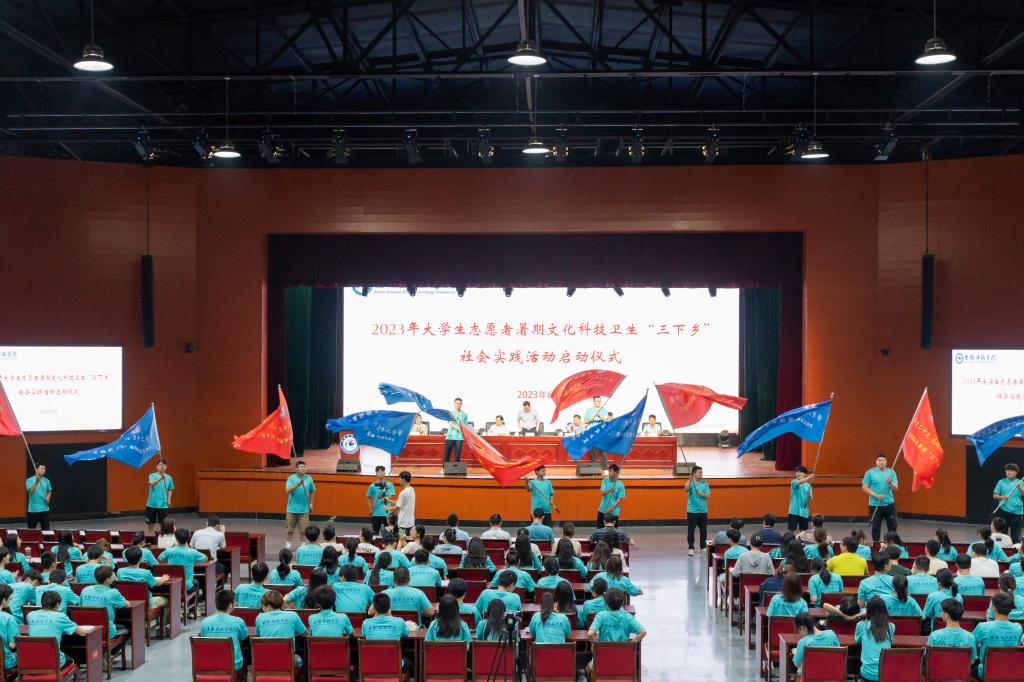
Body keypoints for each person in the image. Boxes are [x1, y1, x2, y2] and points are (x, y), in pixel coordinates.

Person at [27, 590, 92, 669]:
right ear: (57, 604)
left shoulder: (30, 615)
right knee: (73, 661)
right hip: (54, 662)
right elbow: (82, 633)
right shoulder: (60, 617)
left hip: (32, 661)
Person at [974, 592, 1024, 680]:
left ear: (994, 608)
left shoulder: (983, 627)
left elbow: (971, 642)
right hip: (1011, 671)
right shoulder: (1018, 628)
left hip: (986, 672)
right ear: (1010, 610)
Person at [255, 591, 306, 668]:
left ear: (268, 606)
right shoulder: (293, 615)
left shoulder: (260, 617)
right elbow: (305, 633)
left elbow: (258, 636)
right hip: (287, 660)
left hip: (266, 659)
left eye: (262, 606)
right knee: (301, 660)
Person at [117, 546, 169, 612]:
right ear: (140, 558)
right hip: (146, 605)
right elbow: (157, 583)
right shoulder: (146, 573)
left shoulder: (120, 571)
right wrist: (164, 578)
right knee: (166, 600)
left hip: (127, 602)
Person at [855, 597, 895, 682]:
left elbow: (857, 640)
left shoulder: (861, 625)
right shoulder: (891, 626)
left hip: (866, 674)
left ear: (868, 611)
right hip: (884, 674)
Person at [80, 567, 128, 636]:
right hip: (106, 632)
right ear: (108, 579)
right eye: (112, 575)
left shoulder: (85, 590)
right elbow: (127, 605)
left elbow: (81, 606)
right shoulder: (113, 592)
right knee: (126, 628)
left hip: (87, 630)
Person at [862, 454, 899, 542]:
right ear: (876, 462)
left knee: (893, 525)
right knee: (876, 526)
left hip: (889, 503)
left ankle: (891, 543)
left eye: (883, 460)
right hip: (875, 504)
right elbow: (864, 487)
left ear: (886, 462)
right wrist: (876, 495)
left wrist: (890, 483)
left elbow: (895, 488)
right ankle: (876, 544)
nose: (882, 462)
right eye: (880, 460)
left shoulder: (891, 472)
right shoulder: (870, 472)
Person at [791, 612, 840, 676]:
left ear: (803, 628)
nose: (800, 633)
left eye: (799, 630)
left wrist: (796, 653)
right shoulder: (831, 634)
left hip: (811, 677)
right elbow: (838, 654)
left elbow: (797, 664)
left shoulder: (803, 642)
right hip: (833, 675)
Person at [160, 528, 208, 593]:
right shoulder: (192, 552)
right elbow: (205, 558)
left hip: (171, 586)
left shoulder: (169, 551)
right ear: (188, 538)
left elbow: (160, 558)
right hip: (187, 587)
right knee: (196, 581)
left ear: (175, 538)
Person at [284, 460, 315, 549]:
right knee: (290, 530)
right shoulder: (291, 478)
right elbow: (288, 490)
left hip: (304, 509)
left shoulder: (309, 479)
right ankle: (288, 545)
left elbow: (312, 491)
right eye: (301, 467)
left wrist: (310, 503)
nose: (304, 469)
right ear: (296, 469)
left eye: (305, 467)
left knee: (303, 530)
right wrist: (297, 484)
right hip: (291, 509)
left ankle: (303, 545)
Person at [993, 462, 1024, 545]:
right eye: (1007, 471)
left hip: (1017, 512)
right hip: (1004, 511)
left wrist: (1019, 488)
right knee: (1002, 535)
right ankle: (1003, 550)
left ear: (1016, 472)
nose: (1009, 472)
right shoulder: (1001, 482)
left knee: (1016, 536)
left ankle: (1015, 551)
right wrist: (1002, 497)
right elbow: (995, 495)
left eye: (1011, 471)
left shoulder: (1020, 482)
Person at [685, 465, 710, 556]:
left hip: (703, 511)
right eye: (699, 472)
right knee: (691, 530)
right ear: (694, 474)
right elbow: (686, 489)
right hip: (692, 511)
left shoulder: (705, 483)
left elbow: (708, 495)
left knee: (703, 530)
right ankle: (691, 548)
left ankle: (703, 547)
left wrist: (701, 494)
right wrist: (689, 480)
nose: (701, 474)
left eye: (701, 472)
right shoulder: (690, 482)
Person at [145, 459, 174, 533]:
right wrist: (160, 478)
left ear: (166, 467)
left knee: (163, 524)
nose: (161, 466)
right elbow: (152, 483)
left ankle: (162, 537)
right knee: (150, 523)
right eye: (160, 465)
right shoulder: (152, 475)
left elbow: (170, 489)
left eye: (163, 465)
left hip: (163, 505)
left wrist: (169, 499)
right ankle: (150, 537)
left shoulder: (169, 477)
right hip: (151, 504)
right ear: (157, 467)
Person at [366, 466, 395, 535]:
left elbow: (391, 496)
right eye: (378, 471)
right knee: (375, 533)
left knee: (389, 533)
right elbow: (368, 497)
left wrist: (384, 496)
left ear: (385, 472)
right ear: (376, 473)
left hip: (387, 513)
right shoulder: (372, 486)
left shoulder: (389, 485)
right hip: (376, 512)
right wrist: (370, 510)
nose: (381, 473)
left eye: (382, 471)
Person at [583, 397, 610, 469]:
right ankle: (593, 467)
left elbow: (606, 420)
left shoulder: (604, 410)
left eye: (599, 401)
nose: (599, 402)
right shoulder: (589, 410)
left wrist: (599, 416)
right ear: (593, 402)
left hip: (601, 431)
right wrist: (591, 419)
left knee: (603, 450)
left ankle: (605, 468)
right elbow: (585, 421)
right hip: (592, 432)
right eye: (597, 401)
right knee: (593, 451)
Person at [25, 463, 52, 530]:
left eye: (44, 469)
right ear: (36, 469)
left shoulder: (46, 480)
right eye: (42, 469)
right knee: (31, 530)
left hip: (45, 509)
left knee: (46, 530)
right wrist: (36, 482)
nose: (44, 470)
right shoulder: (29, 480)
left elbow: (49, 491)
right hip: (33, 510)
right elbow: (30, 492)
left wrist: (48, 497)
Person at [788, 466, 815, 532]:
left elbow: (809, 499)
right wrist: (809, 477)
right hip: (793, 511)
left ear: (805, 474)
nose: (798, 473)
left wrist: (809, 495)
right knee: (792, 530)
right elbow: (799, 482)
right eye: (797, 472)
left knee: (803, 531)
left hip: (804, 511)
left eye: (800, 472)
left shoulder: (808, 486)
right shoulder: (794, 482)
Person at [443, 398, 468, 466]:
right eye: (457, 403)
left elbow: (465, 425)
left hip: (459, 437)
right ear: (454, 404)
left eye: (460, 403)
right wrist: (459, 428)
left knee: (457, 456)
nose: (458, 405)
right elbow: (451, 423)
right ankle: (444, 469)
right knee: (446, 455)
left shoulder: (464, 414)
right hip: (450, 436)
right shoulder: (450, 413)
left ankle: (456, 470)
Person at [0, 584, 17, 671]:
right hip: (4, 661)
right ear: (4, 600)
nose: (10, 600)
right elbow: (12, 645)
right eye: (10, 598)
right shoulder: (8, 618)